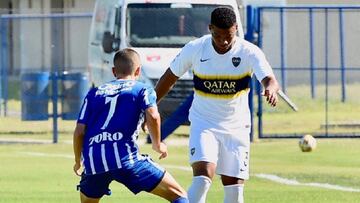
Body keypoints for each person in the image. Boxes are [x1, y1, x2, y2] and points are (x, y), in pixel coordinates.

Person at [155, 7, 279, 203]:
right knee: (203, 177)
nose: (223, 41)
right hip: (204, 124)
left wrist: (270, 88)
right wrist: (151, 107)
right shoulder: (195, 48)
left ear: (236, 28)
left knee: (234, 190)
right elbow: (169, 78)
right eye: (218, 35)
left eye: (228, 35)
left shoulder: (249, 51)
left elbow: (269, 79)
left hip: (237, 127)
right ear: (210, 28)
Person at [73, 48, 189, 203]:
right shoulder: (142, 88)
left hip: (94, 163)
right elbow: (153, 115)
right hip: (127, 159)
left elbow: (79, 131)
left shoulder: (94, 93)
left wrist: (77, 161)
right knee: (179, 195)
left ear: (114, 71)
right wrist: (157, 144)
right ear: (138, 70)